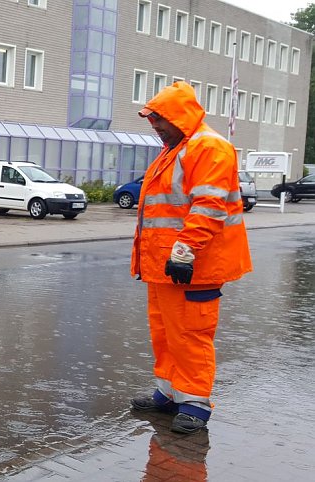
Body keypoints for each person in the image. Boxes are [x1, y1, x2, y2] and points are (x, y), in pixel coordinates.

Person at [129, 81, 252, 434]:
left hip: (193, 265)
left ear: (178, 117)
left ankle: (195, 402)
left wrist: (183, 252)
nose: (154, 127)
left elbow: (209, 205)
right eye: (152, 120)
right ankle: (169, 394)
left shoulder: (209, 147)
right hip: (164, 267)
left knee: (192, 335)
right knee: (166, 333)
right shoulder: (176, 148)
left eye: (159, 120)